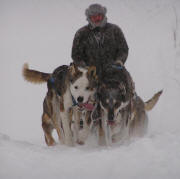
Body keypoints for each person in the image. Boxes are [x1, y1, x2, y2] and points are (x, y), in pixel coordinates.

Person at [71, 3, 129, 77]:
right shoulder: (81, 33)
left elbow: (123, 49)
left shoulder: (114, 30)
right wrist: (84, 67)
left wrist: (119, 61)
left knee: (126, 84)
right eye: (94, 16)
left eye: (99, 15)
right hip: (90, 76)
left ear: (103, 15)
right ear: (89, 17)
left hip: (113, 73)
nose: (97, 18)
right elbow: (76, 54)